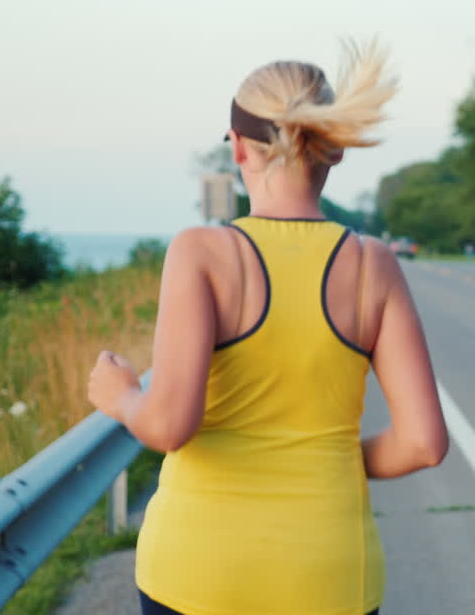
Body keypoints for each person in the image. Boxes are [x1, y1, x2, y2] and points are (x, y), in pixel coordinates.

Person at [88, 44, 449, 615]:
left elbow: (168, 425)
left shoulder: (202, 252)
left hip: (198, 573)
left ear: (236, 147)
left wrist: (122, 397)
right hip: (331, 577)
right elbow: (424, 444)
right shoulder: (372, 264)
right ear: (333, 148)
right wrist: (316, 457)